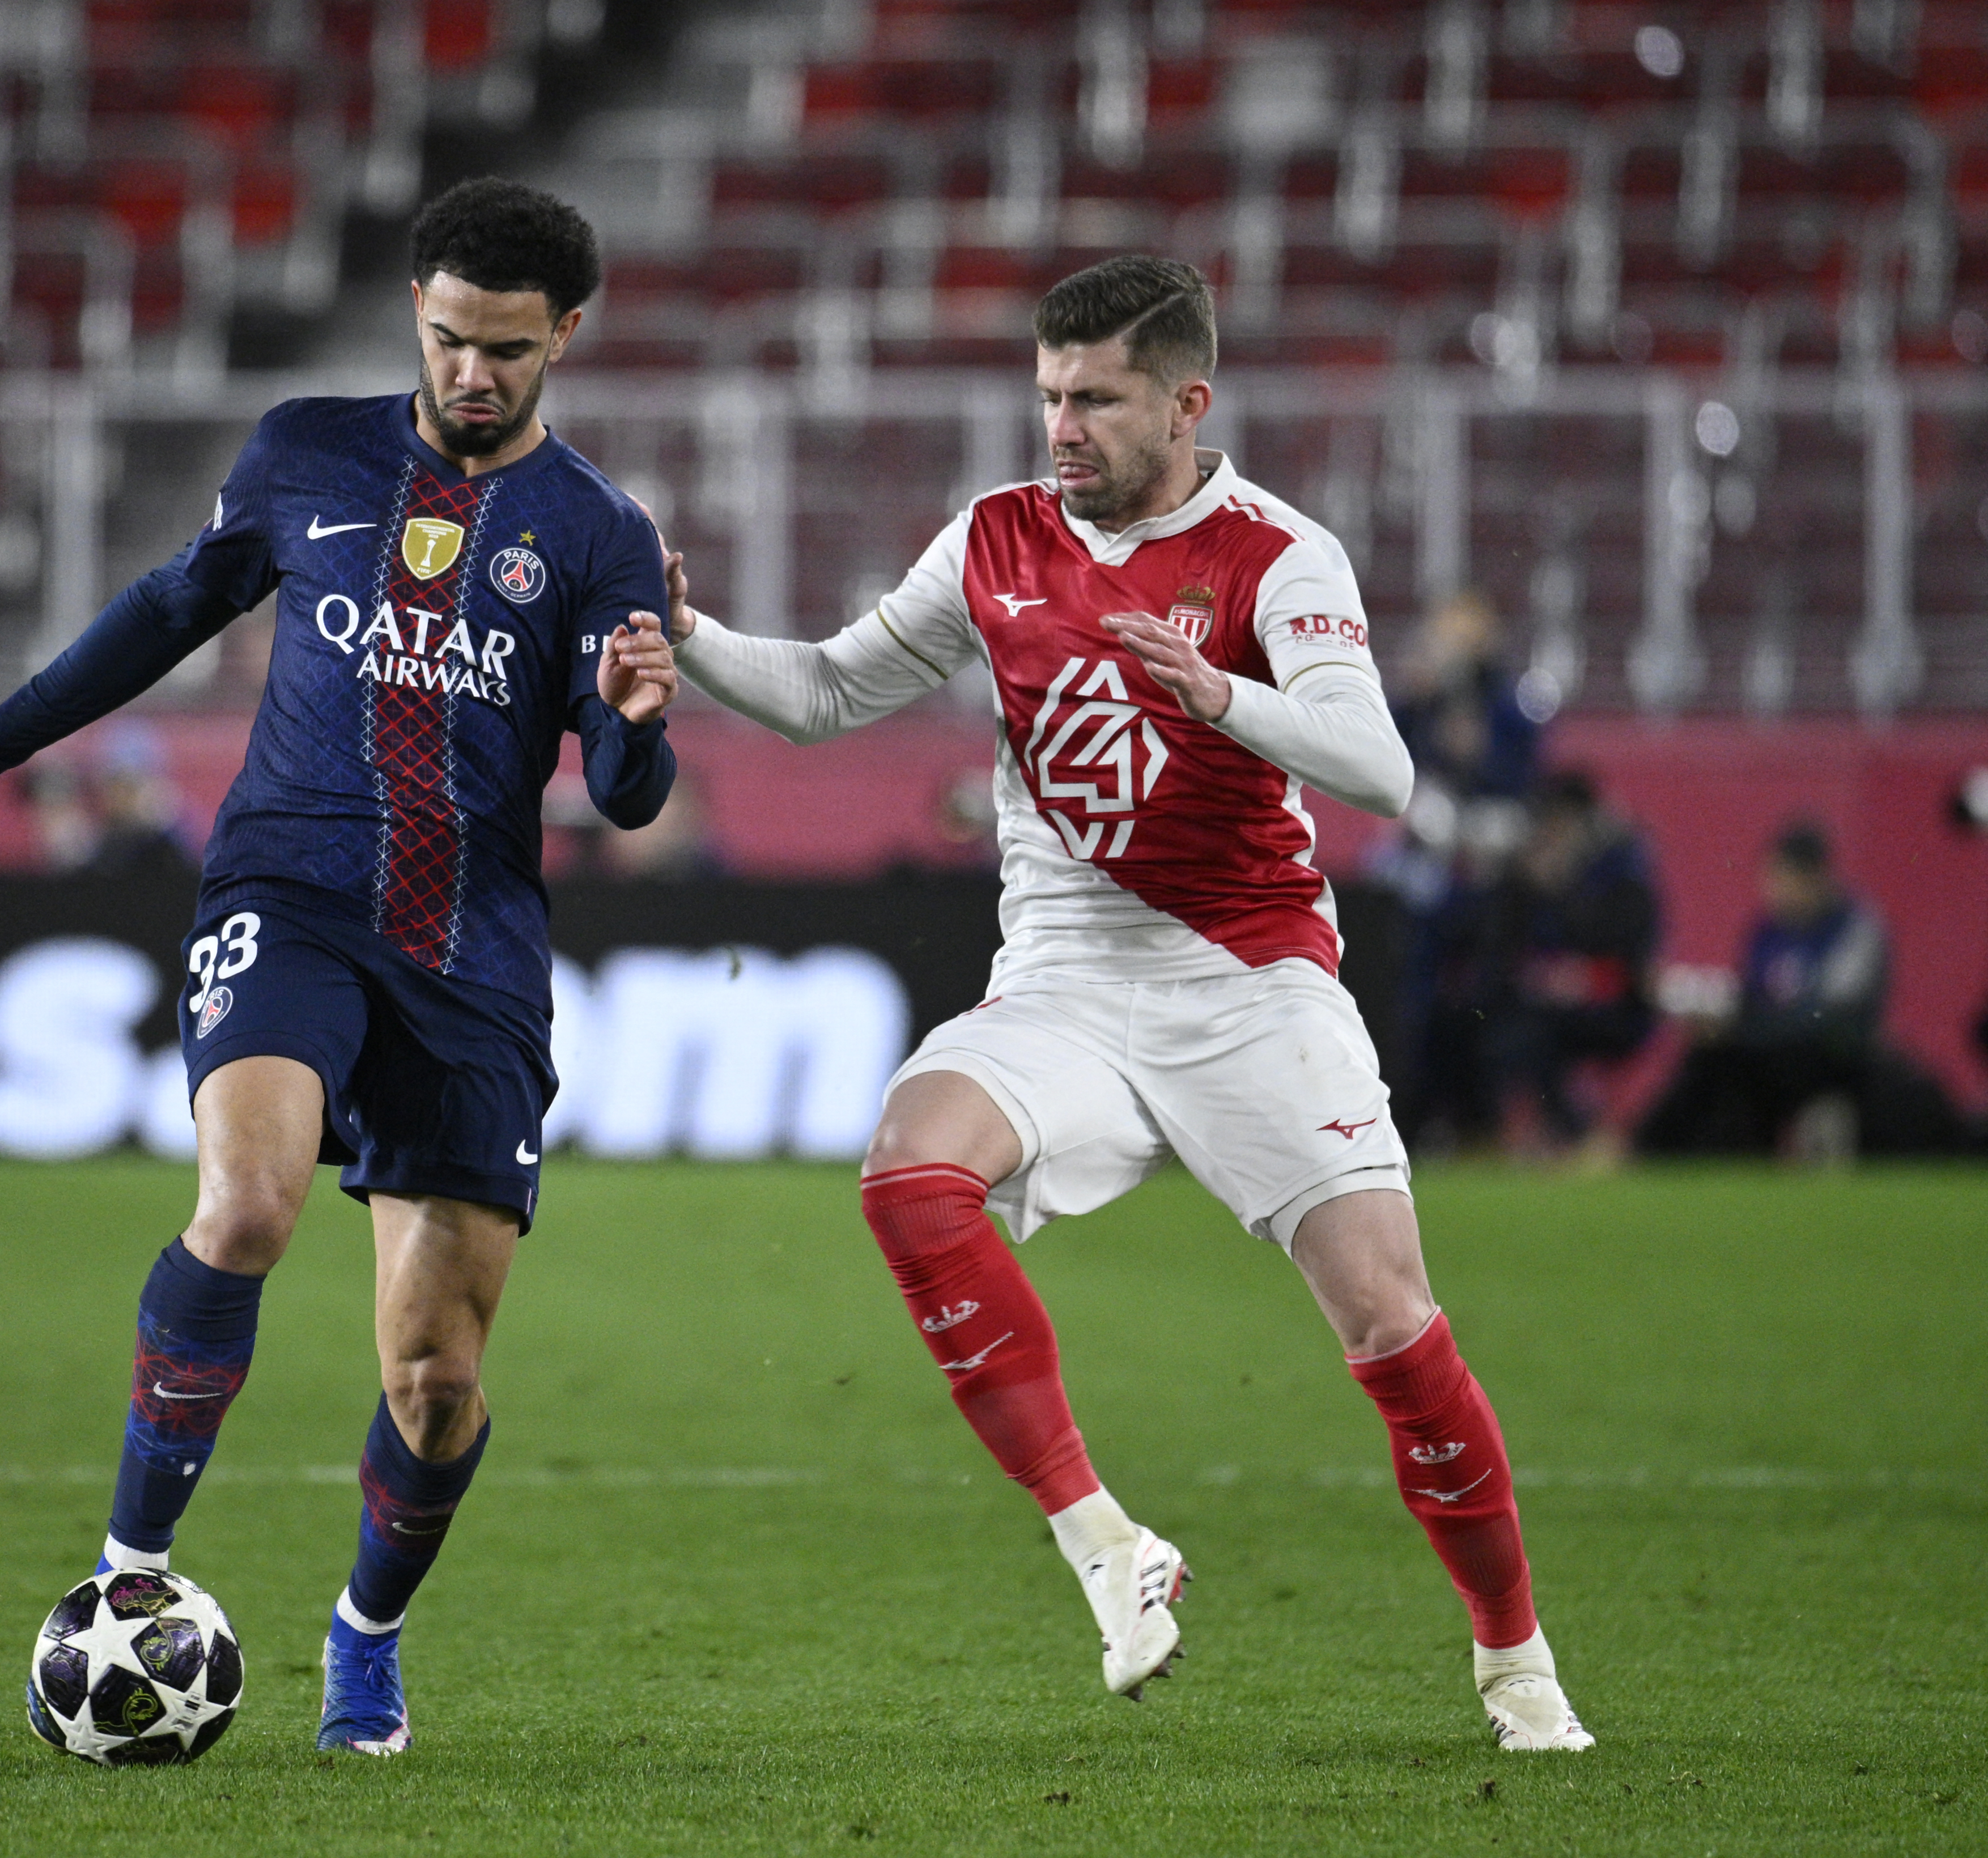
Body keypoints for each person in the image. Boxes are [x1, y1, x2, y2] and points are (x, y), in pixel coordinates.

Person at [659, 256, 1592, 1752]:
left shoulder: (1275, 556)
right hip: (1064, 983)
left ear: (1185, 400)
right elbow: (831, 690)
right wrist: (688, 641)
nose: (1061, 426)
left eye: (1093, 397)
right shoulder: (993, 539)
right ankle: (1104, 1538)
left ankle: (1513, 1664)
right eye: (1046, 394)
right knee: (907, 1168)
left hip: (1247, 980)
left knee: (1389, 1323)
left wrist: (1220, 698)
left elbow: (1381, 773)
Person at [0, 177, 682, 1757]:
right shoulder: (304, 447)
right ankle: (124, 1570)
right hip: (287, 889)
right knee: (243, 1204)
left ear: (563, 334)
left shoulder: (595, 532)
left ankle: (363, 1633)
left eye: (507, 348)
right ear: (416, 316)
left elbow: (618, 789)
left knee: (434, 1378)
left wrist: (639, 720)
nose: (472, 374)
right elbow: (162, 613)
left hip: (471, 954)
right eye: (448, 339)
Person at [1639, 821, 1958, 1158]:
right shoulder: (1767, 931)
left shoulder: (1855, 927)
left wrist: (1746, 1027)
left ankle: (1641, 1148)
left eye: (1781, 878)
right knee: (1709, 1056)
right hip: (1773, 1048)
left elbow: (1832, 1013)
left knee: (1738, 1055)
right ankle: (1663, 1151)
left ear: (1814, 877)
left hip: (1836, 1056)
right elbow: (1753, 995)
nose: (1773, 889)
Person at [1466, 770, 1659, 1152]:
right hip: (1545, 1002)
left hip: (1613, 1006)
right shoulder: (1530, 875)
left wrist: (1560, 897)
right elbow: (1500, 948)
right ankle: (1556, 1133)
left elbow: (1626, 952)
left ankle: (1576, 1134)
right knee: (1491, 1025)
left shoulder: (1619, 873)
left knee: (1535, 1037)